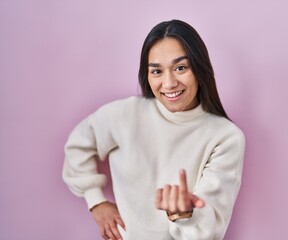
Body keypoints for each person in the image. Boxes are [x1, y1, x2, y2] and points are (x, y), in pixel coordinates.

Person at [63, 19, 245, 240]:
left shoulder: (225, 137)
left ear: (199, 69)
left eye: (180, 68)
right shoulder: (126, 114)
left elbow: (211, 225)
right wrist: (96, 201)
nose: (168, 84)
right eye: (157, 71)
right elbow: (77, 146)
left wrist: (183, 213)